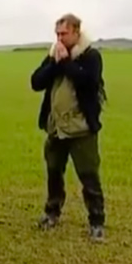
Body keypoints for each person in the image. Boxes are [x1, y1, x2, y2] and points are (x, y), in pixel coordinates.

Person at [30, 13, 107, 243]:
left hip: (81, 128)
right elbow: (36, 82)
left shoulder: (91, 56)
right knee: (54, 171)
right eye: (57, 34)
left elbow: (87, 81)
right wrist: (55, 62)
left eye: (64, 33)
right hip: (57, 127)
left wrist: (65, 62)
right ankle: (52, 213)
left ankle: (97, 222)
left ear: (76, 32)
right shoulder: (54, 54)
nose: (59, 38)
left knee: (88, 175)